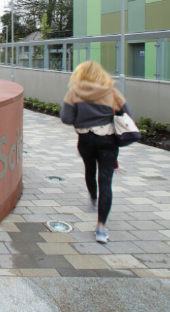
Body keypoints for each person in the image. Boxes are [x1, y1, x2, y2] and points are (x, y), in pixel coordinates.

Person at [59, 61, 132, 244]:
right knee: (106, 181)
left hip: (86, 140)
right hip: (108, 141)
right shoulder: (112, 92)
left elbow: (66, 118)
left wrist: (82, 118)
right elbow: (128, 116)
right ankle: (101, 228)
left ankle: (93, 197)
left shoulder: (74, 92)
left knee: (90, 170)